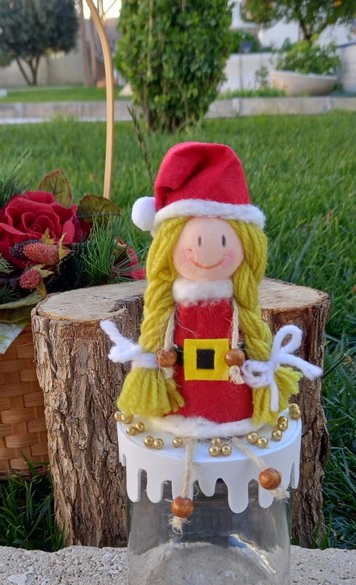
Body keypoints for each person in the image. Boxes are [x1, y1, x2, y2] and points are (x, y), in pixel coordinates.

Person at [101, 142, 320, 439]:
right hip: (181, 396)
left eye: (225, 239)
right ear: (167, 244)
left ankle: (233, 410)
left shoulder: (238, 301)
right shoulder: (175, 301)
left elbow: (251, 334)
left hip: (234, 403)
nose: (208, 247)